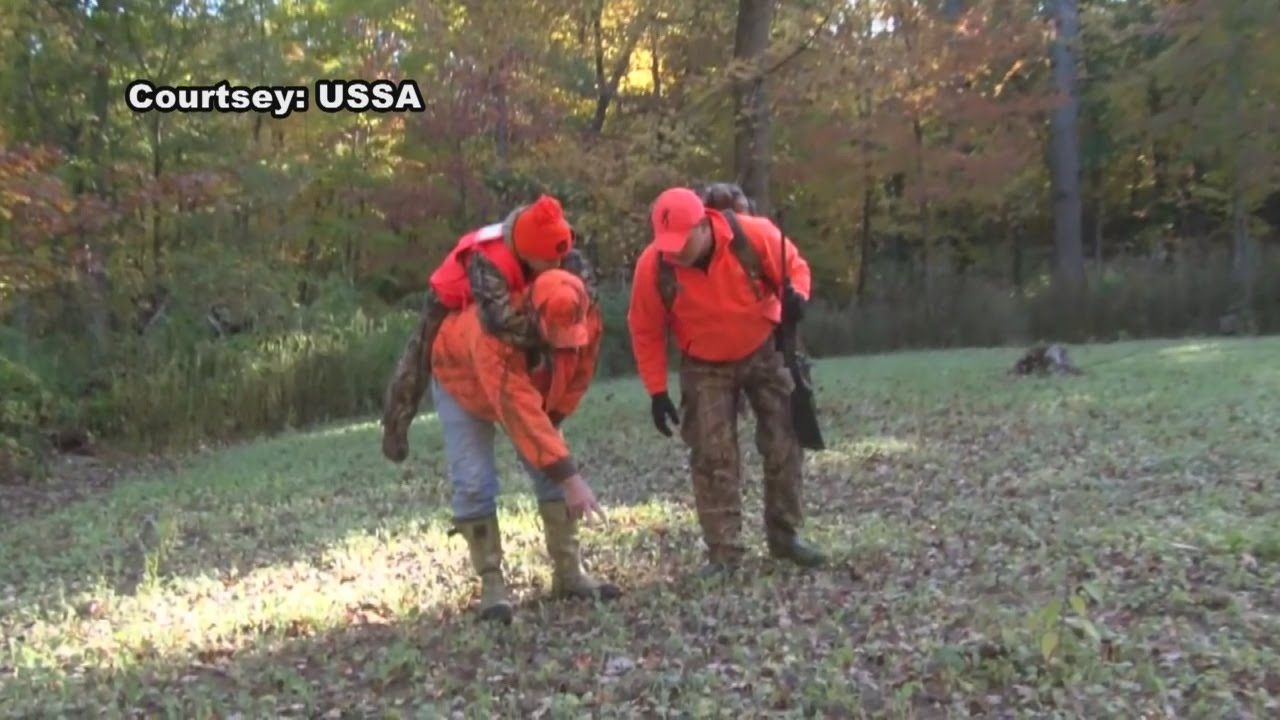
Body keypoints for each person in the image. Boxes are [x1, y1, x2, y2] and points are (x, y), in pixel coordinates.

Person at [626, 187, 827, 577]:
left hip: (765, 348)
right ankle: (724, 553)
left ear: (704, 224)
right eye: (666, 243)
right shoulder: (654, 266)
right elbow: (645, 328)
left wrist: (798, 296)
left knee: (785, 443)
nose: (674, 251)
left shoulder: (756, 235)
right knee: (712, 456)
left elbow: (796, 268)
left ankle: (785, 537)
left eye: (682, 241)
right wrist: (656, 391)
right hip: (704, 364)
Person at [430, 268, 620, 624]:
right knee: (474, 482)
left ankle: (569, 572)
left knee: (551, 468)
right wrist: (571, 477)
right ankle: (492, 587)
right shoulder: (494, 333)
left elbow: (578, 374)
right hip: (461, 381)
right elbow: (518, 408)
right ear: (533, 315)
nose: (565, 341)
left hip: (521, 388)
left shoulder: (586, 318)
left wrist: (557, 422)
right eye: (556, 334)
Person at [380, 194, 597, 463]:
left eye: (560, 258)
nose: (558, 266)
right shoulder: (491, 261)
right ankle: (394, 427)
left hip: (510, 290)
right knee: (416, 361)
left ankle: (540, 429)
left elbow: (584, 291)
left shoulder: (553, 243)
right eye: (550, 262)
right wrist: (547, 331)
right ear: (528, 254)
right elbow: (500, 321)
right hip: (451, 295)